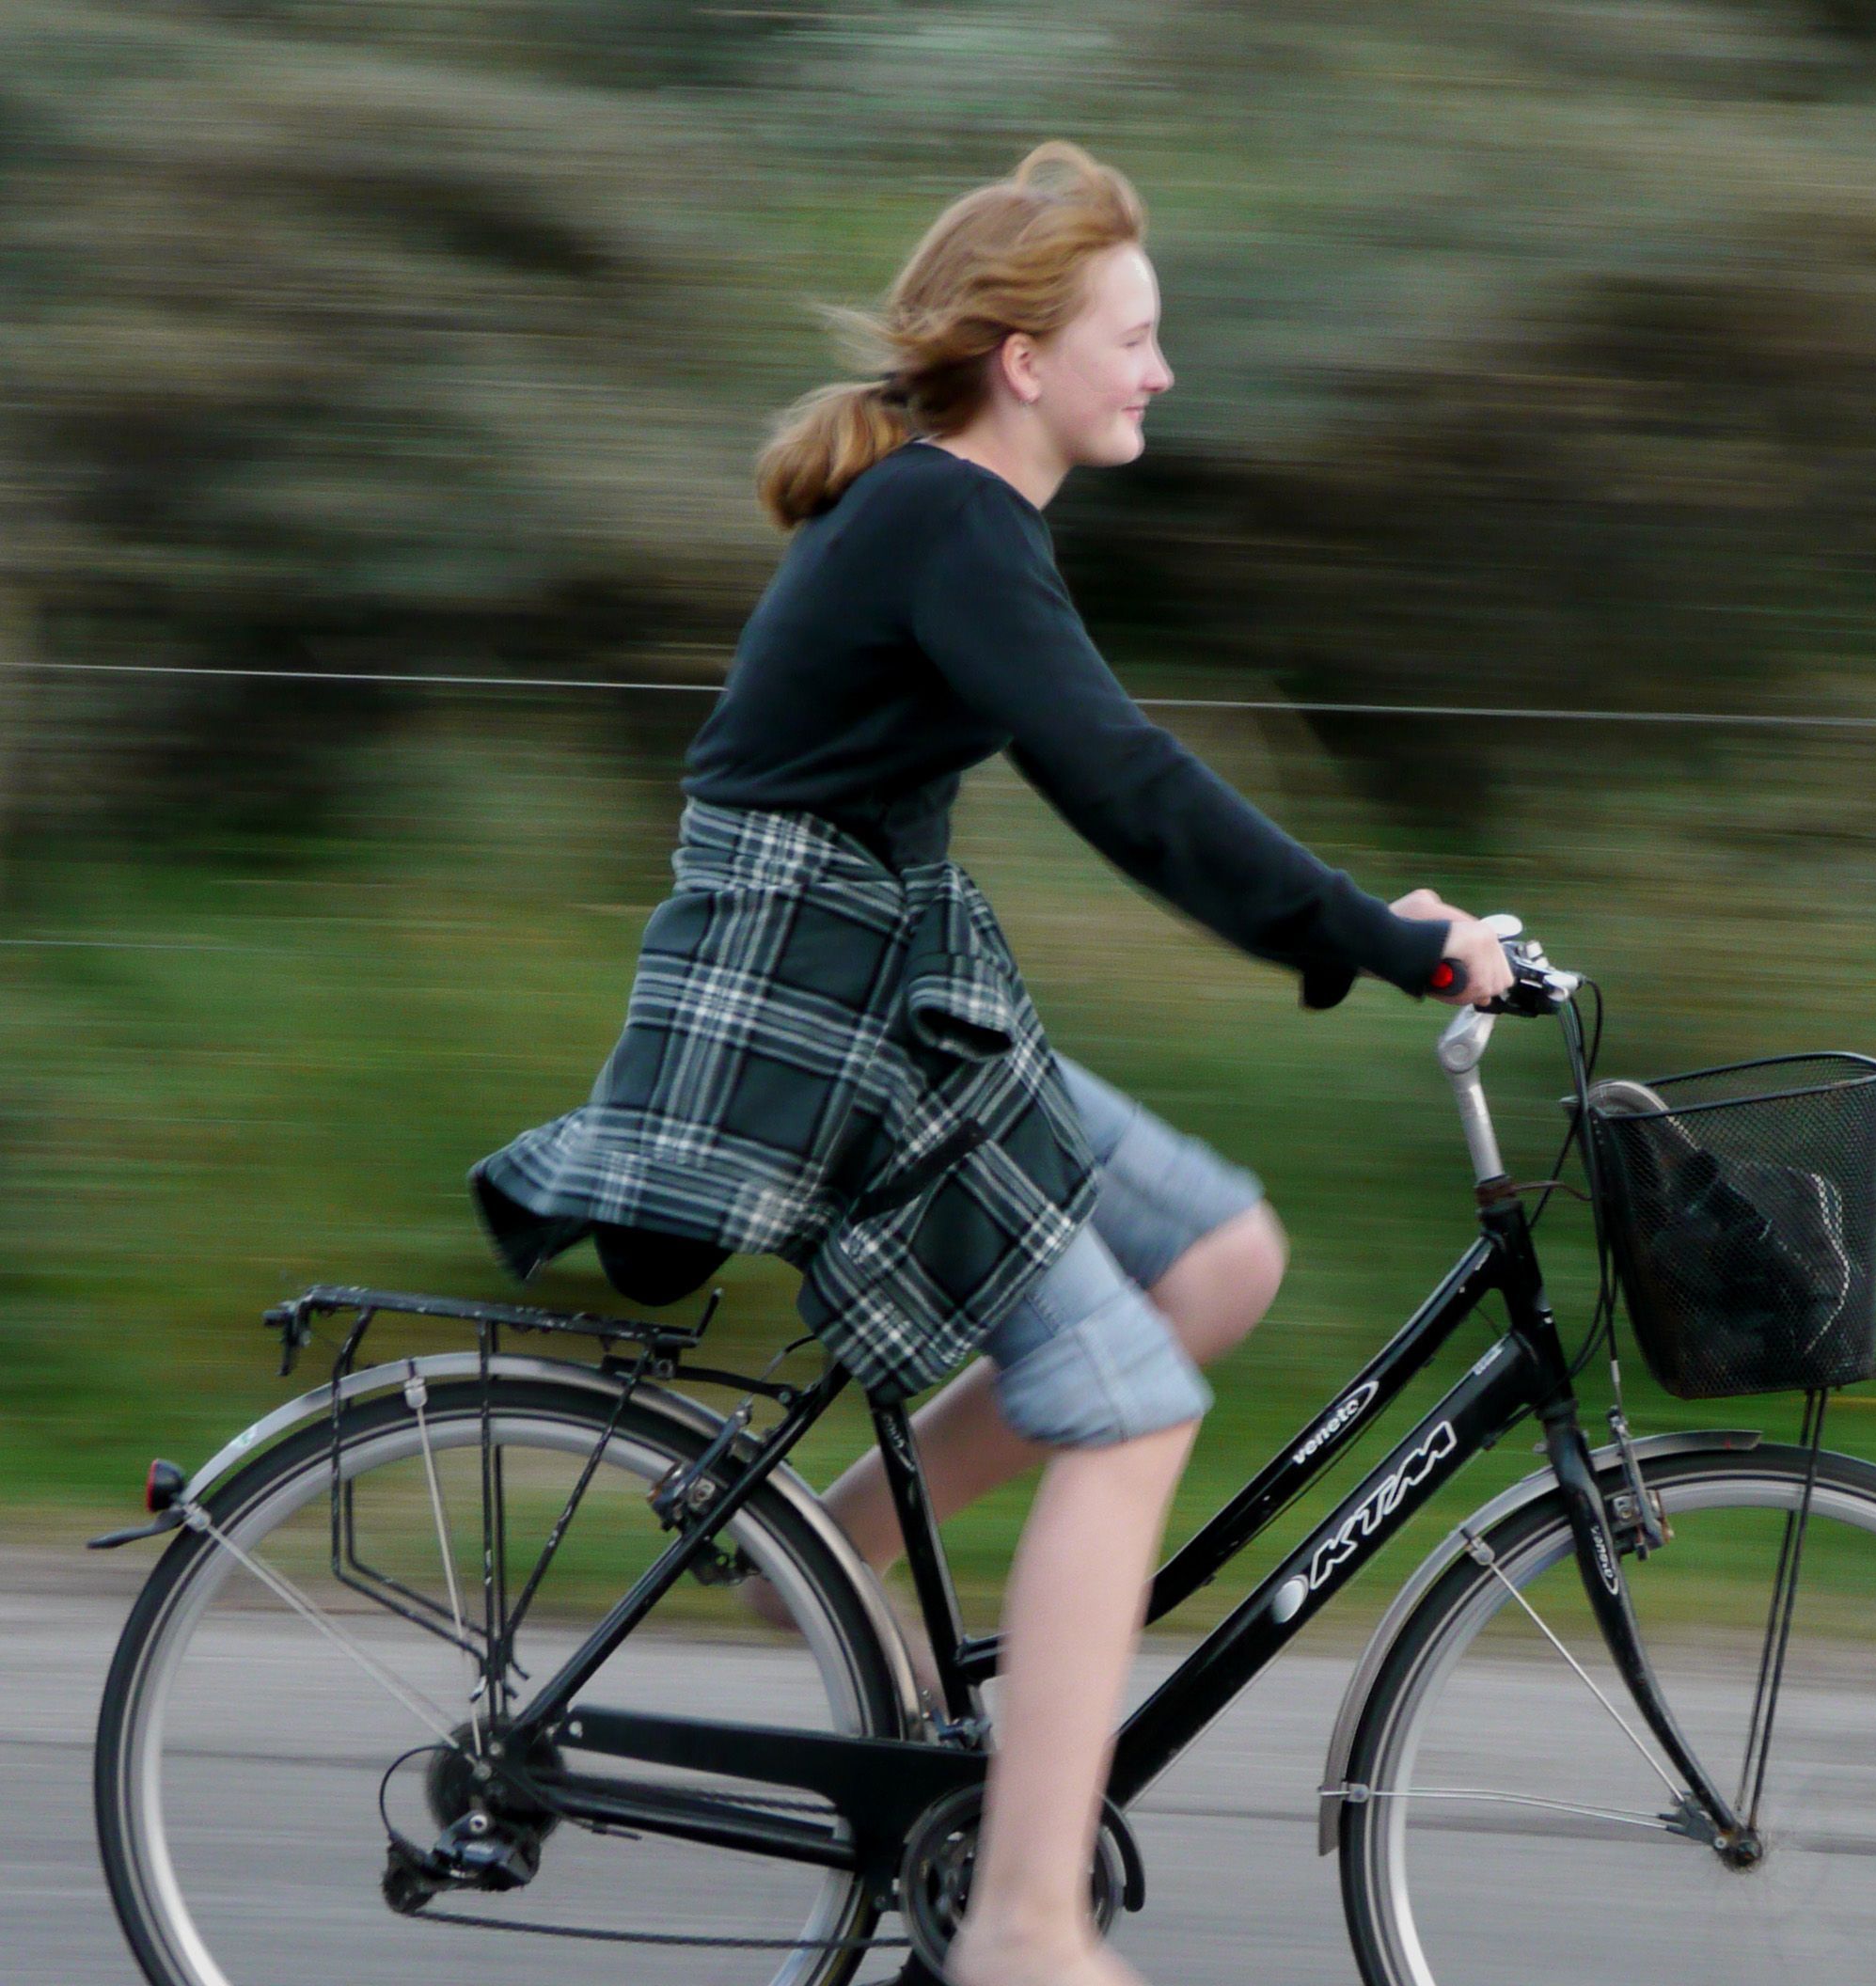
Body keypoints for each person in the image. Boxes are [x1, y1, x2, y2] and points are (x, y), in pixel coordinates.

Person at [467, 140, 1510, 1986]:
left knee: (1217, 1260)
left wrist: (1366, 923)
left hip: (882, 968)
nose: (1161, 370)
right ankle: (1027, 1928)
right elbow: (1124, 783)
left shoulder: (952, 520)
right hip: (816, 997)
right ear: (1024, 358)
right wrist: (1382, 934)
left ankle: (815, 1548)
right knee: (1127, 1405)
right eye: (1136, 334)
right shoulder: (948, 518)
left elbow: (1121, 773)